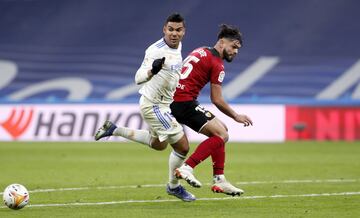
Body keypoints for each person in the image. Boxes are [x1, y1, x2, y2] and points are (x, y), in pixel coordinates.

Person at [94, 13, 200, 202]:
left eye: (178, 30)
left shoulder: (178, 46)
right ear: (164, 30)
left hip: (163, 105)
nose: (174, 34)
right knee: (183, 147)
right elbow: (137, 78)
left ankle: (114, 129)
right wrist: (153, 70)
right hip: (154, 105)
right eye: (170, 29)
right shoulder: (155, 51)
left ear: (184, 31)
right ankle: (174, 186)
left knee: (159, 145)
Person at [170, 24, 253, 196]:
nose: (236, 52)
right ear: (222, 43)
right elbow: (216, 99)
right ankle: (187, 167)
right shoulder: (217, 64)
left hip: (174, 99)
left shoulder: (201, 50)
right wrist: (236, 116)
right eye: (234, 47)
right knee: (222, 135)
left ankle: (219, 179)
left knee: (222, 130)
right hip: (184, 102)